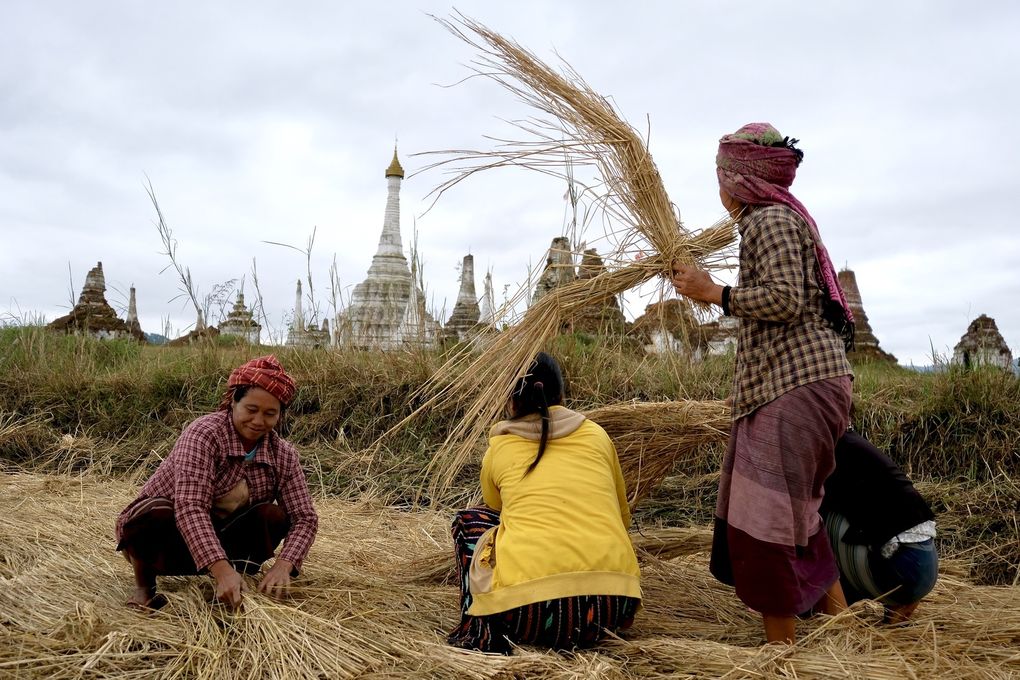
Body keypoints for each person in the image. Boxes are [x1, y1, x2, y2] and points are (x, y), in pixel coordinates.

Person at [671, 122, 855, 644]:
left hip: (796, 388)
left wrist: (716, 294)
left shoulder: (770, 220)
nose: (718, 185)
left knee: (766, 517)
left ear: (739, 179)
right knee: (799, 512)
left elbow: (783, 299)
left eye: (720, 174)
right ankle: (841, 624)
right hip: (799, 384)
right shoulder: (780, 219)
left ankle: (782, 651)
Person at [447, 352, 641, 654]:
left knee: (470, 522)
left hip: (529, 612)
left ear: (511, 401)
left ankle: (478, 628)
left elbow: (495, 511)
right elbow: (622, 519)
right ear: (562, 393)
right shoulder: (598, 437)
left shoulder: (499, 447)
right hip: (612, 606)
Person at [116, 355, 318, 610]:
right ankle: (145, 587)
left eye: (270, 414)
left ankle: (230, 580)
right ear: (233, 402)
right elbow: (190, 508)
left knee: (273, 516)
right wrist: (221, 570)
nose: (258, 422)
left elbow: (305, 518)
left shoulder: (283, 454)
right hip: (170, 535)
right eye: (251, 410)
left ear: (280, 415)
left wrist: (284, 565)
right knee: (155, 516)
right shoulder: (204, 435)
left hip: (225, 533)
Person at [821, 429, 938, 623]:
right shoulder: (850, 441)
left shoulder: (824, 446)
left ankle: (838, 622)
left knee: (812, 524)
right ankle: (900, 603)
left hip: (901, 567)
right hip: (925, 563)